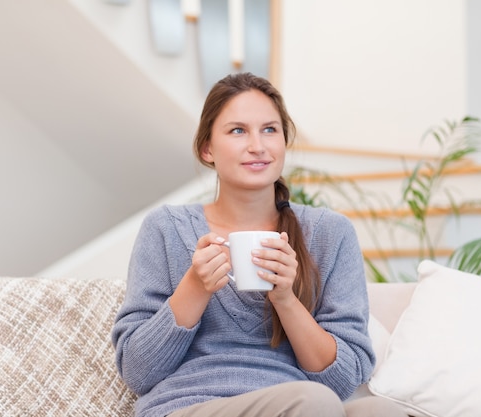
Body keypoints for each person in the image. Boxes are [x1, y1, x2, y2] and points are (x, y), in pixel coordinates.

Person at [111, 72, 406, 417]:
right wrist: (195, 286)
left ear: (284, 142)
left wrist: (285, 298)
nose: (258, 146)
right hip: (190, 404)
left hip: (301, 404)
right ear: (207, 149)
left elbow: (340, 383)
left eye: (270, 130)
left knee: (380, 412)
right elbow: (138, 372)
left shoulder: (330, 233)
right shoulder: (165, 228)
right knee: (313, 403)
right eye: (238, 131)